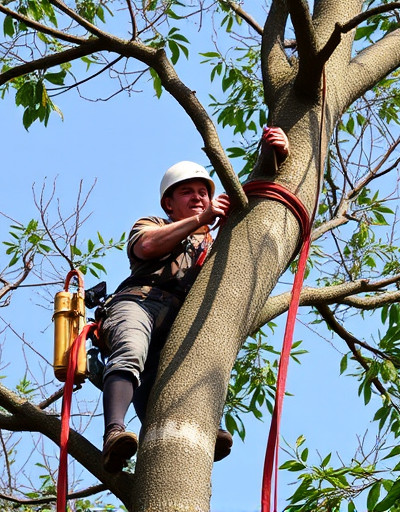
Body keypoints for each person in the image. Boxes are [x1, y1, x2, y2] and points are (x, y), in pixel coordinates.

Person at [100, 127, 289, 473]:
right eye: (187, 192)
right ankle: (114, 432)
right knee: (130, 351)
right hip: (139, 303)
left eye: (203, 192)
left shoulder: (213, 245)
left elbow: (255, 203)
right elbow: (147, 246)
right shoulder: (152, 224)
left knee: (191, 372)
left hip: (178, 321)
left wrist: (276, 155)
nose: (198, 198)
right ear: (168, 204)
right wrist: (201, 220)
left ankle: (195, 427)